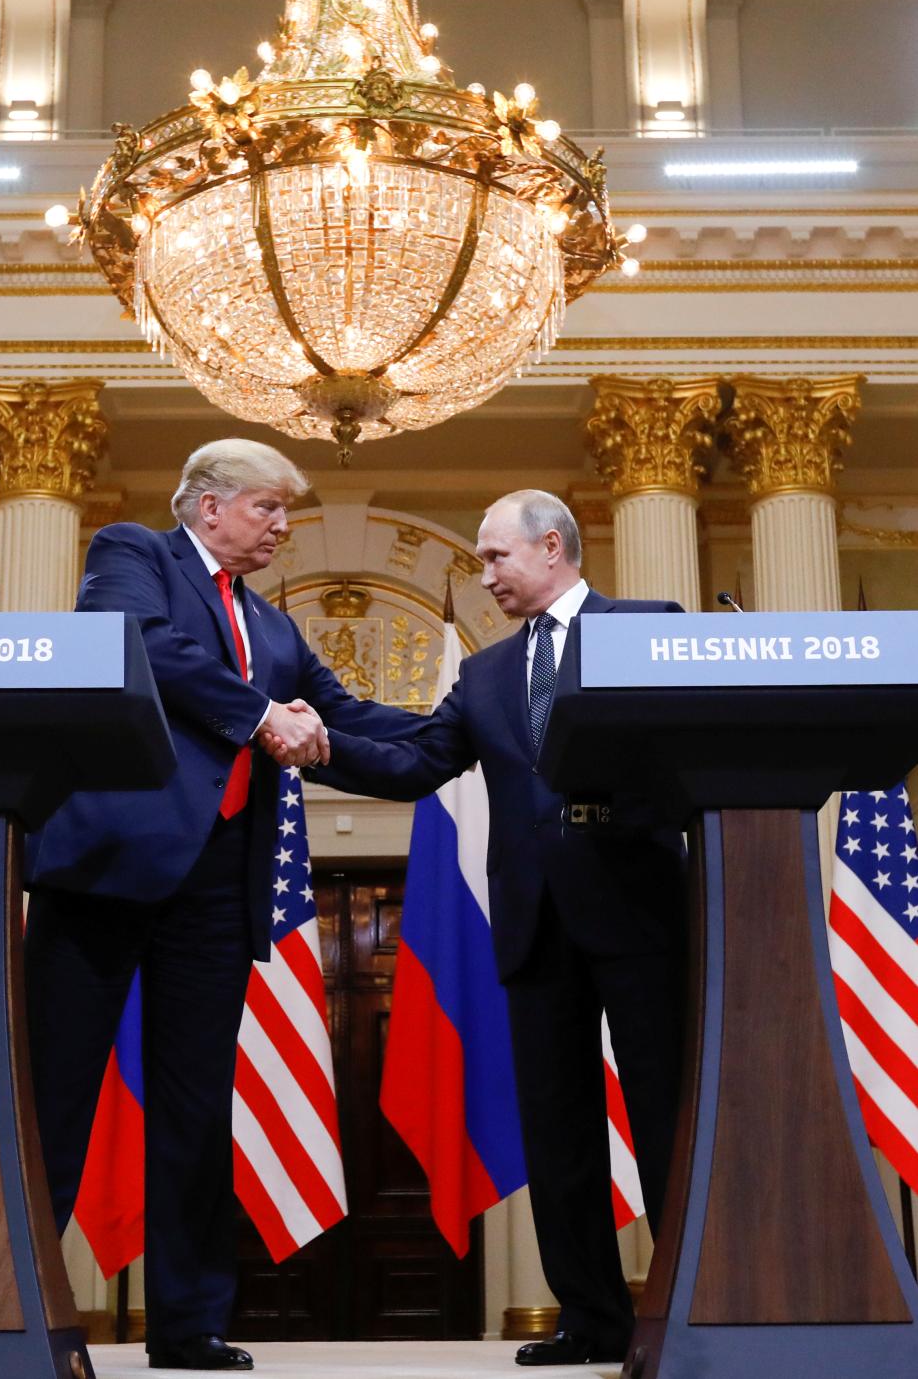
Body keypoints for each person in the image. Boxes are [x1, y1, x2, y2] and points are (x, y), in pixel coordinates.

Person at [264, 489, 687, 1367]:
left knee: (666, 1117)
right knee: (558, 1130)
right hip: (534, 926)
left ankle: (692, 1300)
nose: (486, 573)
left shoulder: (646, 628)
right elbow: (420, 760)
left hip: (637, 913)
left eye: (497, 556)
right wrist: (325, 744)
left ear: (552, 547)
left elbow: (684, 751)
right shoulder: (487, 675)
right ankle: (592, 1319)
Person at [25, 439, 421, 1372]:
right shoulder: (135, 555)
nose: (284, 525)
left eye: (286, 511)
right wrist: (259, 716)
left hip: (215, 883)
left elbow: (346, 717)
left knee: (196, 1105)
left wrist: (469, 729)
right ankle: (12, 1296)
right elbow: (143, 647)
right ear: (208, 507)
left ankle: (188, 1324)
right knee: (55, 1093)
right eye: (268, 508)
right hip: (107, 867)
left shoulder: (275, 630)